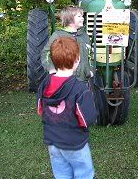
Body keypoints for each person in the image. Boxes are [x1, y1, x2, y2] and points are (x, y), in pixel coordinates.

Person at [36, 37, 98, 178]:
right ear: (77, 59)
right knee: (84, 173)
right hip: (74, 142)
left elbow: (40, 108)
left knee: (61, 174)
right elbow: (87, 119)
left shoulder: (45, 83)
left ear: (53, 59)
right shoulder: (80, 89)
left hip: (52, 140)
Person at [41, 5, 92, 82]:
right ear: (70, 19)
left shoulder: (84, 36)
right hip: (65, 80)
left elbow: (91, 55)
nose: (83, 18)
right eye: (79, 16)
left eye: (82, 16)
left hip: (84, 80)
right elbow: (46, 53)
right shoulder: (58, 35)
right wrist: (51, 69)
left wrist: (90, 71)